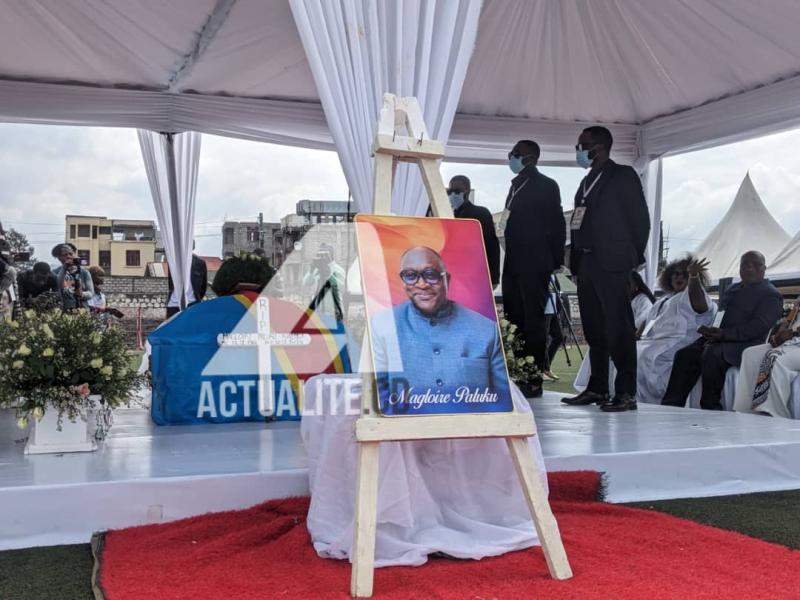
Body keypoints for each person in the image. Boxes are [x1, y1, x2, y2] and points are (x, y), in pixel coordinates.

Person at [562, 126, 650, 412]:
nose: (578, 150)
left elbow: (640, 220)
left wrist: (631, 258)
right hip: (586, 262)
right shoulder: (586, 181)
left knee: (619, 328)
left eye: (582, 145)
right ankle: (598, 386)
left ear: (598, 147)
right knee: (594, 327)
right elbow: (578, 222)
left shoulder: (622, 175)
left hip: (613, 263)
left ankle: (626, 392)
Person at [370, 246, 510, 414]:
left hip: (471, 436)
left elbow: (503, 400)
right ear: (403, 281)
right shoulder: (382, 326)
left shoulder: (486, 330)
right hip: (405, 437)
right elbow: (378, 399)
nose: (421, 284)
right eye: (410, 276)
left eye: (431, 275)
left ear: (447, 280)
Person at [661, 251, 783, 410]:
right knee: (684, 354)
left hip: (748, 344)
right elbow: (721, 315)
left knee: (713, 353)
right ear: (740, 269)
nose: (750, 269)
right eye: (745, 265)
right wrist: (711, 331)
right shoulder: (732, 289)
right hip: (720, 338)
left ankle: (710, 406)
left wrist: (723, 335)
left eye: (756, 265)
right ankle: (671, 406)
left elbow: (757, 327)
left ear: (764, 269)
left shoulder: (771, 294)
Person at [501, 140, 566, 394]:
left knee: (533, 319)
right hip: (514, 261)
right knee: (514, 318)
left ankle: (533, 378)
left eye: (514, 154)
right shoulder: (515, 186)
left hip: (535, 261)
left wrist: (556, 260)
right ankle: (516, 374)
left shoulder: (546, 185)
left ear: (529, 158)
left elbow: (557, 224)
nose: (511, 158)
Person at [636, 256, 716, 405]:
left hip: (680, 343)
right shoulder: (663, 300)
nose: (679, 277)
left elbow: (700, 305)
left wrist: (693, 277)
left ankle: (654, 402)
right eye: (676, 273)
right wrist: (640, 335)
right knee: (629, 352)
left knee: (646, 356)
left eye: (684, 274)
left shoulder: (692, 294)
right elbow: (651, 322)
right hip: (653, 341)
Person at [573, 270, 656, 393]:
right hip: (619, 335)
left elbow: (643, 320)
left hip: (633, 337)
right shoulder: (622, 299)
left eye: (628, 283)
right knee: (598, 348)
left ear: (636, 285)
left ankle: (616, 390)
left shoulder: (642, 300)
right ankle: (596, 386)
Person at [733, 300, 800, 418]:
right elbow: (789, 321)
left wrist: (793, 334)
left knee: (774, 357)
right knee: (750, 354)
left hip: (796, 343)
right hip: (792, 343)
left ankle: (775, 416)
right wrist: (780, 333)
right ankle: (748, 413)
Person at [444, 175, 500, 287]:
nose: (452, 194)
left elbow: (491, 246)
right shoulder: (450, 216)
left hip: (477, 275)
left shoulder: (480, 213)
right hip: (457, 275)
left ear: (467, 191)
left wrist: (493, 278)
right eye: (449, 191)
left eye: (456, 191)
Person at [166, 249, 208, 318]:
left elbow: (203, 287)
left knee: (192, 328)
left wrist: (195, 298)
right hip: (173, 305)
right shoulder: (172, 261)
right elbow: (170, 283)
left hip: (192, 304)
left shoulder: (200, 263)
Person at [52, 243, 94, 309]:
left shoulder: (84, 272)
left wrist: (82, 294)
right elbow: (58, 286)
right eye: (65, 255)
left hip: (82, 311)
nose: (68, 256)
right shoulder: (55, 272)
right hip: (64, 312)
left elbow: (91, 293)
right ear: (59, 258)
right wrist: (64, 268)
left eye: (71, 254)